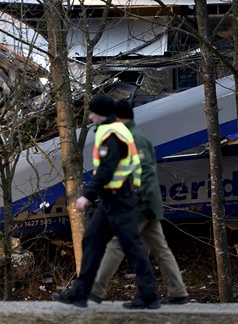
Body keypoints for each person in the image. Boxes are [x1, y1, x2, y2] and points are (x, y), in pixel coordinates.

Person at [51, 94, 160, 309]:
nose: (89, 116)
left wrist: (86, 196)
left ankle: (149, 295)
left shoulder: (111, 134)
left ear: (100, 113)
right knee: (92, 240)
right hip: (113, 199)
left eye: (91, 112)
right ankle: (80, 294)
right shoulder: (113, 130)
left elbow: (107, 169)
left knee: (132, 247)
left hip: (120, 200)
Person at [89, 99, 189, 305]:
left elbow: (145, 174)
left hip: (140, 203)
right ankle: (178, 292)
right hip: (147, 203)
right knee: (160, 248)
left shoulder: (134, 138)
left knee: (117, 244)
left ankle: (95, 291)